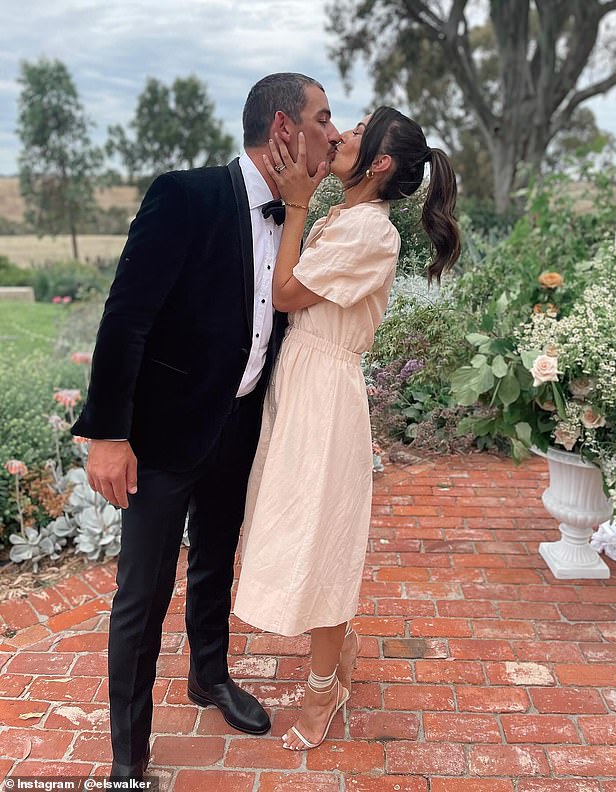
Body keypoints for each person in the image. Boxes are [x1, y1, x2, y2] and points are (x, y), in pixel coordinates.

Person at [71, 73, 340, 780]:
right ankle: (129, 761)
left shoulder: (299, 218)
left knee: (216, 563)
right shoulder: (184, 196)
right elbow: (126, 318)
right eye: (323, 118)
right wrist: (108, 434)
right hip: (159, 441)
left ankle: (209, 677)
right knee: (142, 596)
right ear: (285, 128)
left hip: (238, 425)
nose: (334, 135)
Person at [233, 106, 461, 750]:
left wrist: (298, 205)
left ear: (380, 163)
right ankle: (340, 649)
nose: (340, 136)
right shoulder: (352, 219)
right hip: (301, 380)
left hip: (325, 395)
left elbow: (284, 294)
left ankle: (323, 689)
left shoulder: (371, 234)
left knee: (319, 539)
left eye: (357, 132)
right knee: (294, 525)